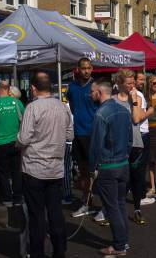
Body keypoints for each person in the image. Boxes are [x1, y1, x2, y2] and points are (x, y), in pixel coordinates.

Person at [17, 73, 73, 258]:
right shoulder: (63, 107)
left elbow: (24, 138)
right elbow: (70, 136)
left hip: (34, 168)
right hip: (55, 169)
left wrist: (17, 143)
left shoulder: (32, 108)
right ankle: (59, 252)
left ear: (33, 88)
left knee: (37, 216)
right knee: (56, 213)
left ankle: (37, 253)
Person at [89, 79, 133, 257]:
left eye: (92, 92)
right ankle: (123, 241)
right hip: (123, 164)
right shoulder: (124, 110)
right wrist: (125, 156)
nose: (90, 95)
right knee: (120, 204)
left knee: (113, 206)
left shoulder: (101, 113)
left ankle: (120, 245)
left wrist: (92, 168)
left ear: (100, 92)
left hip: (109, 166)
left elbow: (96, 146)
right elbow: (130, 140)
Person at [112, 70, 154, 225]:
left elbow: (136, 119)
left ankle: (137, 209)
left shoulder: (137, 97)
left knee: (137, 177)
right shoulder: (114, 100)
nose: (132, 85)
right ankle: (116, 211)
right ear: (120, 83)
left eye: (132, 82)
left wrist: (134, 99)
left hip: (136, 143)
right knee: (121, 178)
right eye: (128, 83)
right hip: (120, 144)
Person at [67, 57, 99, 217]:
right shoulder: (72, 87)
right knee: (83, 171)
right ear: (78, 69)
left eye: (89, 68)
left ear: (92, 68)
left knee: (97, 171)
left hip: (93, 134)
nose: (86, 71)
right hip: (78, 133)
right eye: (83, 68)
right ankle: (87, 201)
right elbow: (72, 107)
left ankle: (105, 206)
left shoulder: (96, 87)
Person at [0, 80, 25, 206]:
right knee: (16, 172)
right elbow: (24, 122)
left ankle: (7, 199)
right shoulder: (18, 103)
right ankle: (18, 198)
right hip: (16, 143)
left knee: (2, 173)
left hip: (0, 144)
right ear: (8, 90)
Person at [134, 71, 156, 211]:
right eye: (140, 79)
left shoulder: (134, 94)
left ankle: (137, 193)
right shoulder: (138, 95)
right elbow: (138, 116)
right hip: (141, 132)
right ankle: (141, 196)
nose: (142, 82)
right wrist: (150, 111)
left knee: (137, 166)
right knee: (140, 167)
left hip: (139, 132)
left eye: (143, 80)